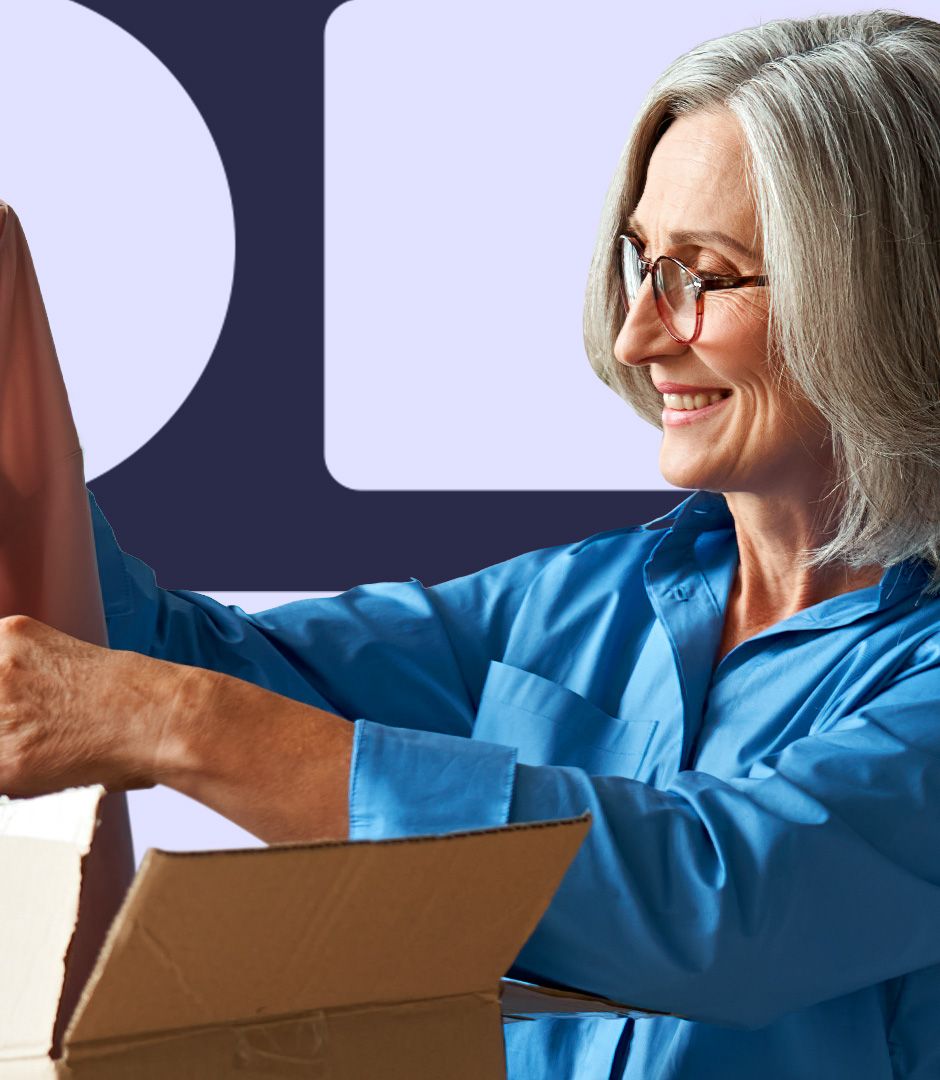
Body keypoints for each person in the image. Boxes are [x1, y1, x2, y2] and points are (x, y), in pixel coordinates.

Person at [2, 7, 939, 1077]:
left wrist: (176, 721)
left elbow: (716, 901)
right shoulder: (579, 605)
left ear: (879, 294)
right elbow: (155, 660)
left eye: (703, 274)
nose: (637, 335)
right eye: (641, 264)